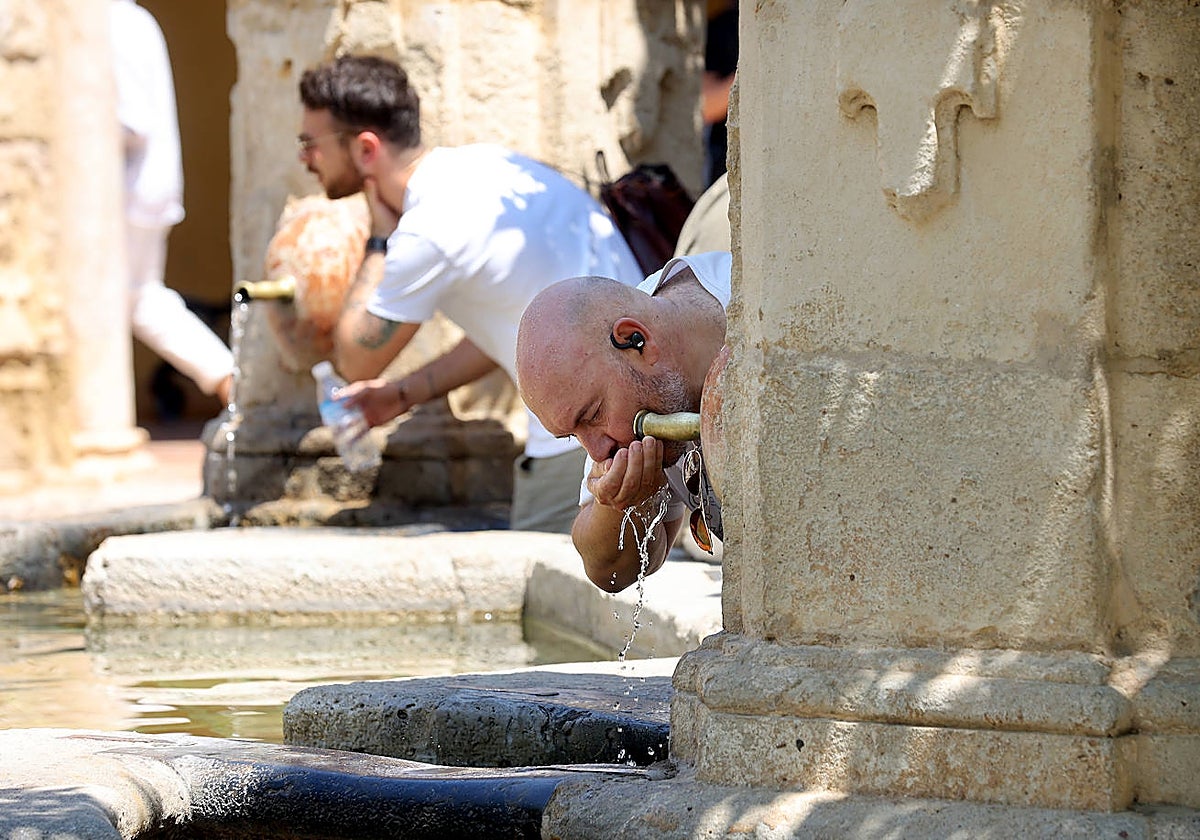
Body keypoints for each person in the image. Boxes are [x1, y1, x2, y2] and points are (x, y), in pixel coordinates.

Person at [296, 55, 644, 534]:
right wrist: (403, 396)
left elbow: (355, 360)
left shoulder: (426, 230)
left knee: (541, 583)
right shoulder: (488, 167)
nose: (304, 158)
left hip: (586, 443)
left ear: (366, 149)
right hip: (637, 417)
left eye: (310, 143)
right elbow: (517, 322)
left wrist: (378, 239)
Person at [515, 251, 732, 592]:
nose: (599, 452)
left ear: (637, 340)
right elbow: (609, 571)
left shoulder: (762, 310)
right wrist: (623, 503)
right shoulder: (603, 367)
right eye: (574, 435)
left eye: (592, 416)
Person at [110, 0, 234, 408]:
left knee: (130, 299)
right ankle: (230, 381)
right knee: (141, 300)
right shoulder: (133, 18)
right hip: (141, 191)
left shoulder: (109, 22)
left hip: (121, 194)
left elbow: (127, 122)